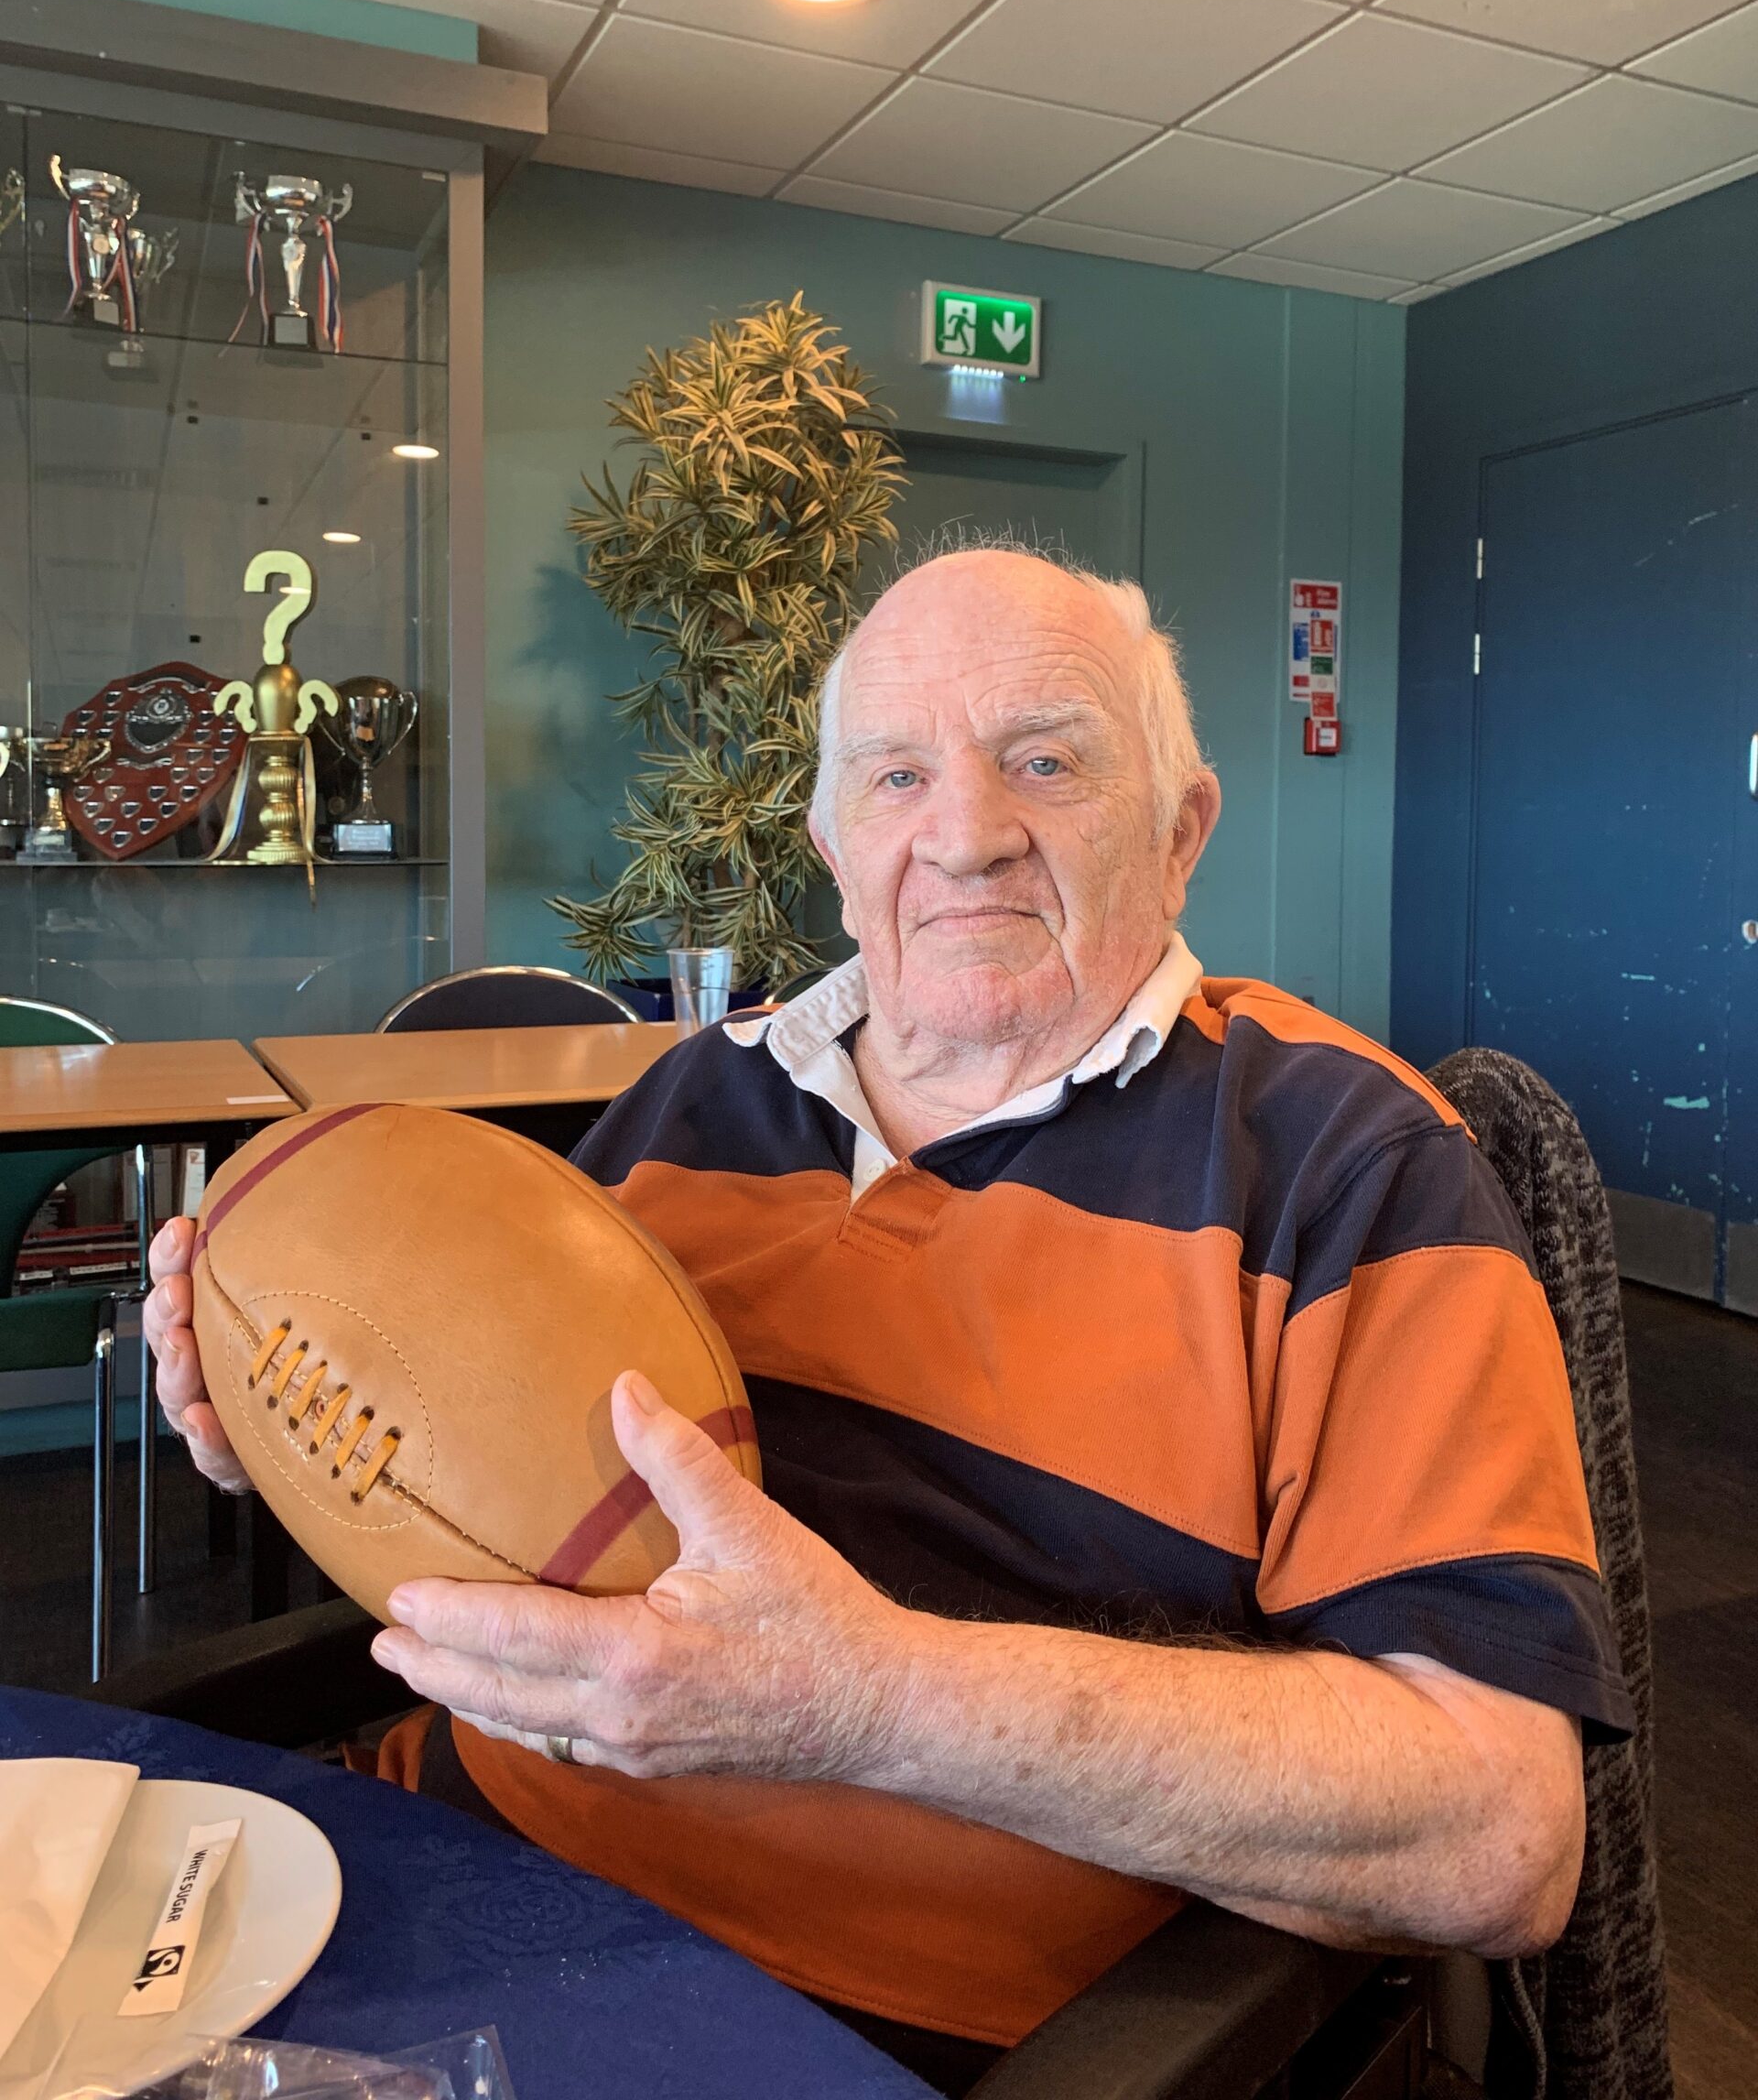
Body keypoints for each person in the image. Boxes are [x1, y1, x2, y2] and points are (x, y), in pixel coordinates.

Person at [146, 549, 1631, 2095]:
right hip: (427, 1874)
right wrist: (295, 1425)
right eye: (898, 774)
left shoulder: (1342, 1164)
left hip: (912, 2040)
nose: (967, 833)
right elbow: (495, 1475)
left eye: (1046, 762)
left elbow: (1495, 1833)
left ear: (1181, 831)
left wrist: (865, 1701)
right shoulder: (687, 1099)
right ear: (832, 843)